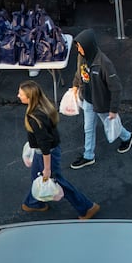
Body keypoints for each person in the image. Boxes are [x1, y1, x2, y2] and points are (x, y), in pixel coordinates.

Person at [17, 80, 100, 219]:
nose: (18, 96)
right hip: (49, 150)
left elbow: (45, 145)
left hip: (45, 155)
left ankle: (86, 208)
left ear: (30, 97)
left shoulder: (34, 118)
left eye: (21, 94)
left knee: (56, 181)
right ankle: (32, 202)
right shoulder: (44, 106)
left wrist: (47, 168)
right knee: (36, 177)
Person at [68, 29, 132, 170]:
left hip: (102, 103)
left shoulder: (105, 63)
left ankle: (127, 137)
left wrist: (113, 109)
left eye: (80, 46)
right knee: (88, 128)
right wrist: (75, 85)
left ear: (88, 46)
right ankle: (88, 155)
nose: (78, 49)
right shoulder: (82, 57)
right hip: (88, 100)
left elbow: (116, 88)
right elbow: (79, 72)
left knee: (110, 125)